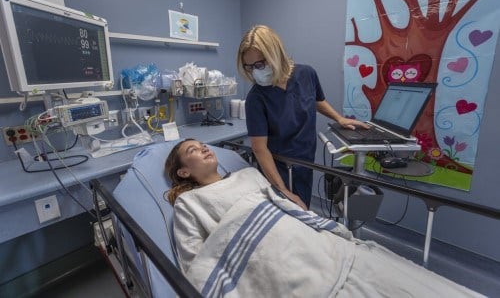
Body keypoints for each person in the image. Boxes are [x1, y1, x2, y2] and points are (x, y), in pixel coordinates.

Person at [164, 139, 482, 298]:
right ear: (183, 171)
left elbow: (279, 205)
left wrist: (290, 200)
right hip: (273, 260)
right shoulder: (190, 203)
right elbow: (196, 261)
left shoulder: (249, 174)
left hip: (309, 243)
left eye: (202, 144)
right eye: (193, 150)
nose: (203, 147)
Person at [236, 25, 369, 210]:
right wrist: (282, 190)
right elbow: (259, 149)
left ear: (276, 54)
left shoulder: (306, 74)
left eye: (260, 64)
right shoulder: (256, 98)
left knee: (303, 206)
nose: (255, 72)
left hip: (305, 159)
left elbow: (315, 100)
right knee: (287, 213)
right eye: (248, 67)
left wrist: (339, 118)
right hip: (279, 168)